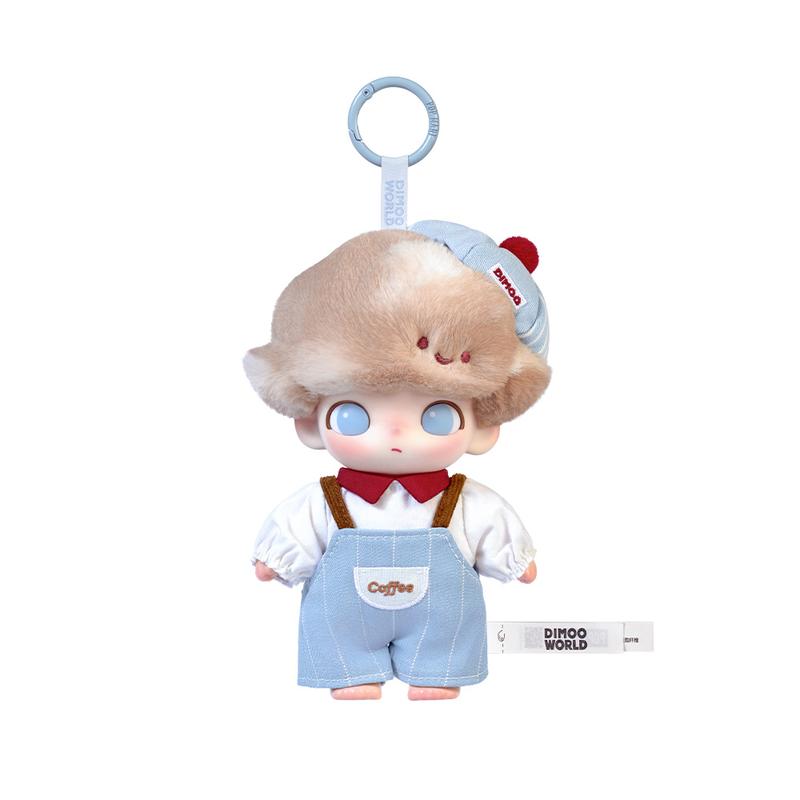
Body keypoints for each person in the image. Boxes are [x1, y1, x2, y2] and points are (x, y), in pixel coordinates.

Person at [244, 220, 551, 700]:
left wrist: (515, 560)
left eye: (436, 415)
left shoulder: (463, 500)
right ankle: (353, 672)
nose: (395, 433)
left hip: (442, 625)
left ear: (483, 427)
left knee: (441, 668)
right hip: (344, 624)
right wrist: (276, 560)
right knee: (347, 670)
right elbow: (296, 530)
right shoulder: (324, 501)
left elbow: (493, 526)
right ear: (309, 421)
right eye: (353, 415)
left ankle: (435, 672)